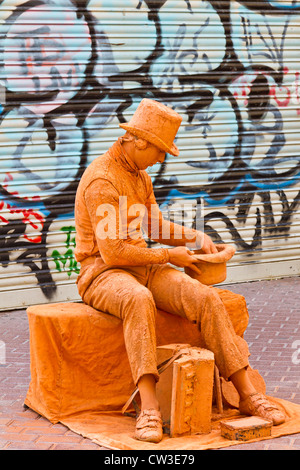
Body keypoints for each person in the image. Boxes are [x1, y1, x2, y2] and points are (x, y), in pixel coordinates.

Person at [74, 98, 285, 443]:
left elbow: (154, 225)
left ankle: (248, 394)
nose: (161, 159)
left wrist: (195, 237)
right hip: (101, 273)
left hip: (142, 263)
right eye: (159, 151)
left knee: (205, 298)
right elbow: (112, 254)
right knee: (138, 299)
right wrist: (170, 255)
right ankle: (149, 408)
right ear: (139, 141)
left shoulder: (139, 175)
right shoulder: (103, 180)